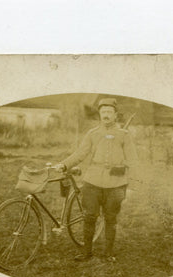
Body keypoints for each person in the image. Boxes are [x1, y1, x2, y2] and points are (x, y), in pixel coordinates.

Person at [56, 98, 138, 262]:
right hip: (92, 182)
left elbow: (133, 161)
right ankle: (87, 253)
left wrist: (131, 186)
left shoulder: (124, 135)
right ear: (99, 114)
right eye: (103, 112)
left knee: (110, 218)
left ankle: (108, 254)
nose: (106, 115)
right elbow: (80, 154)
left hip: (116, 184)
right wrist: (64, 165)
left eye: (109, 112)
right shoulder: (92, 134)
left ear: (115, 115)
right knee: (89, 217)